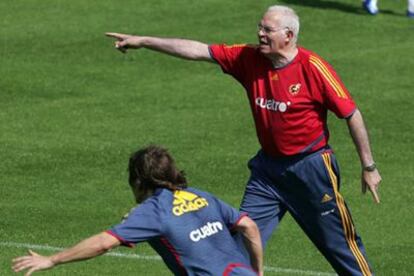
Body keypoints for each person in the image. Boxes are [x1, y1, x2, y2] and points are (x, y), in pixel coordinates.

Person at [105, 5, 382, 275]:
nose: (260, 33)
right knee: (238, 241)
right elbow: (198, 50)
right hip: (268, 173)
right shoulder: (248, 58)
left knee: (340, 247)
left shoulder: (314, 68)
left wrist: (368, 167)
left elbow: (352, 114)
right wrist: (143, 40)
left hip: (310, 169)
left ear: (288, 35)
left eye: (267, 29)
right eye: (260, 27)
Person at [12, 145, 263, 276]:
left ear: (139, 181)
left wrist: (52, 259)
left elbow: (102, 243)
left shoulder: (153, 212)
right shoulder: (200, 195)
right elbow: (249, 226)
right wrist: (257, 272)